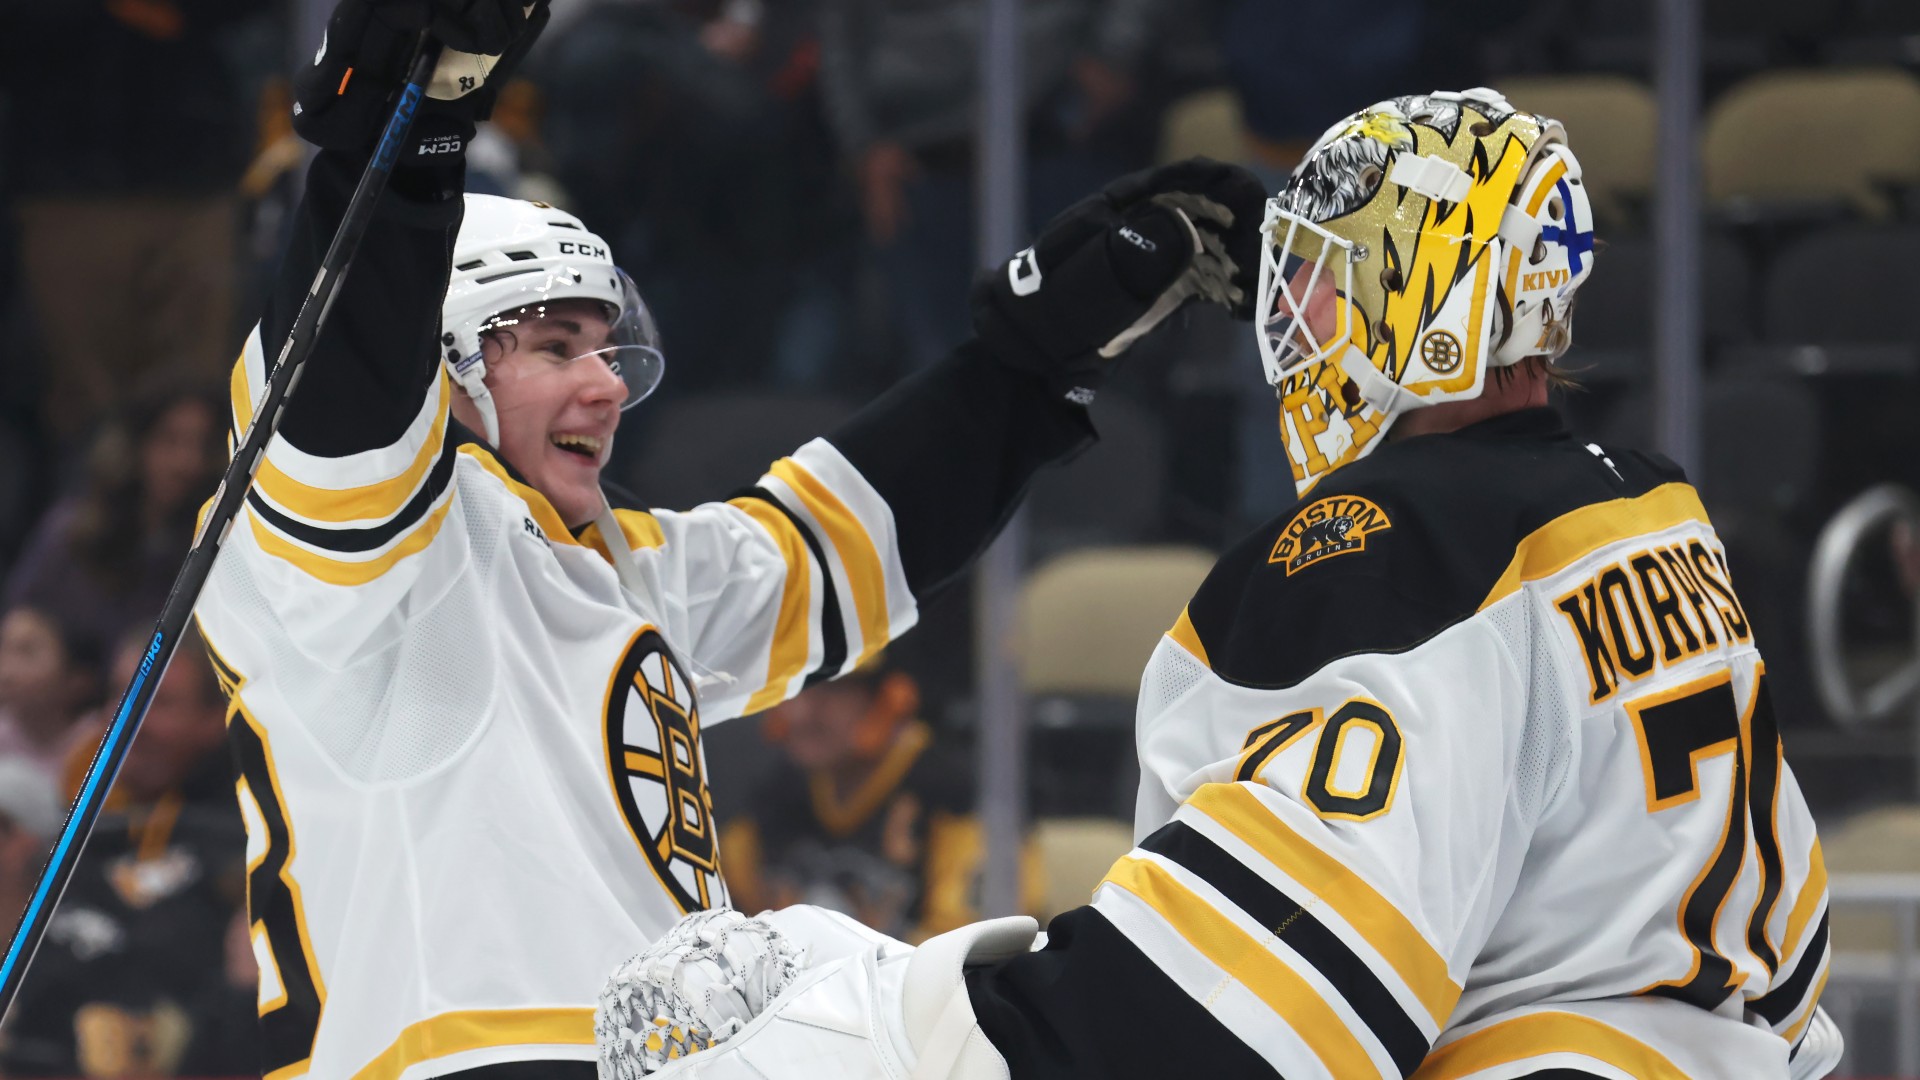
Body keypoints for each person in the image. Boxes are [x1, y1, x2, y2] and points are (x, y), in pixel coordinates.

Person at [603, 89, 1842, 1080]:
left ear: (1428, 297)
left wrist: (873, 1020)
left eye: (1325, 275)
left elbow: (1243, 1015)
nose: (1288, 315)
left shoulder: (1383, 545)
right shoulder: (1647, 504)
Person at [188, 0, 1262, 1075]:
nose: (607, 386)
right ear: (439, 368)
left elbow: (830, 546)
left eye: (607, 351)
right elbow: (343, 391)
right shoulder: (346, 565)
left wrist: (1030, 360)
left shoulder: (615, 571)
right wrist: (406, 135)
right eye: (555, 346)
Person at [0, 627, 250, 1078]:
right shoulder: (74, 828)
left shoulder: (245, 851)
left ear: (214, 719)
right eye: (121, 693)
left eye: (161, 702)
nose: (132, 718)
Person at [723, 655, 1037, 943]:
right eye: (794, 690)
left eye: (831, 690)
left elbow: (968, 947)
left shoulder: (956, 794)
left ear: (892, 697)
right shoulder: (778, 791)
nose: (799, 713)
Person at [5, 382, 225, 655]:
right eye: (170, 440)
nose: (187, 462)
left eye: (202, 445)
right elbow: (19, 615)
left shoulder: (216, 549)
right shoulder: (72, 529)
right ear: (135, 444)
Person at [0, 605, 101, 781]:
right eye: (4, 648)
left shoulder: (102, 744)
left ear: (78, 679)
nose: (6, 672)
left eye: (27, 652)